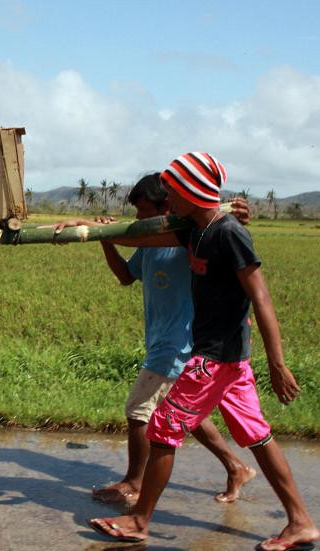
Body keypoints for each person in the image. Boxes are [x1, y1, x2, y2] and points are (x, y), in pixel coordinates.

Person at [55, 153, 317, 550]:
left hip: (215, 358)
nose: (169, 201)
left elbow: (261, 298)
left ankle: (139, 520)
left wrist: (278, 364)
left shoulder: (227, 233)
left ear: (192, 193)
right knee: (257, 435)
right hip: (229, 359)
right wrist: (85, 226)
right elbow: (134, 237)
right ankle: (301, 522)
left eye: (174, 194)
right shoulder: (193, 230)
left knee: (162, 426)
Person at [90, 174, 255, 506]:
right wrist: (106, 239)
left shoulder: (185, 239)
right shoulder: (149, 246)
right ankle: (236, 466)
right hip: (161, 339)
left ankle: (134, 483)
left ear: (168, 207)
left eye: (143, 210)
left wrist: (233, 216)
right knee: (181, 411)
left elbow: (219, 235)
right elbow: (125, 276)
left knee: (138, 410)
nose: (138, 219)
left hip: (179, 342)